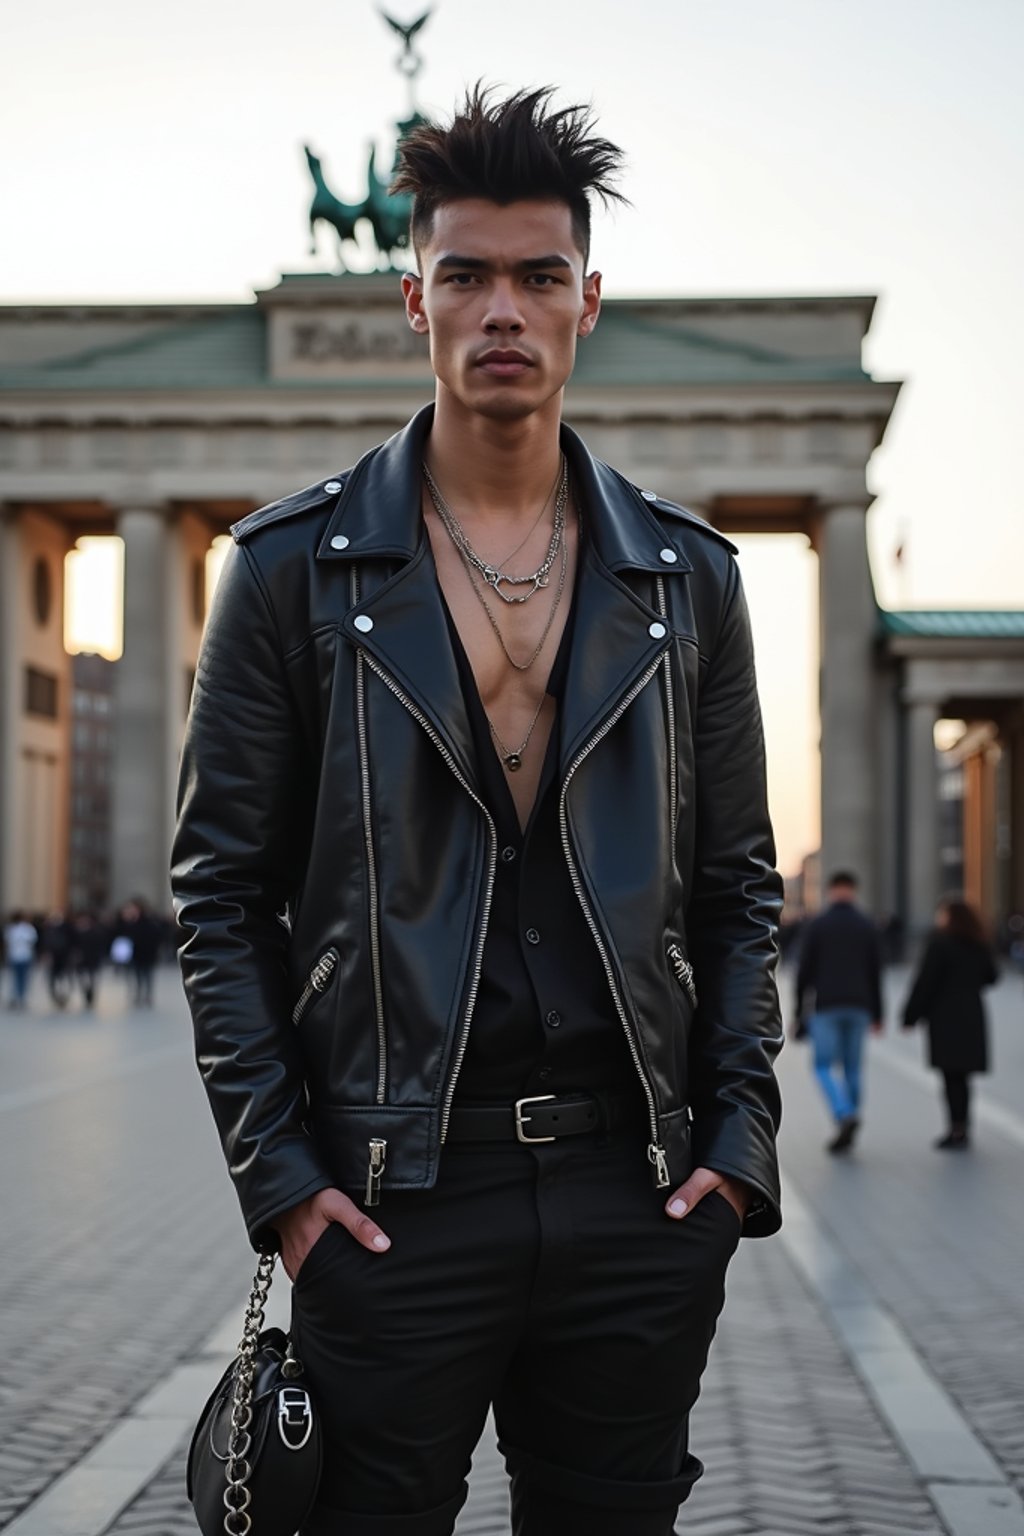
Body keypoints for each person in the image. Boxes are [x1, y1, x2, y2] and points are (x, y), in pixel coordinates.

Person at [172, 87, 784, 1536]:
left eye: (537, 276)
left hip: (632, 1191)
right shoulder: (288, 573)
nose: (501, 308)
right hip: (394, 1196)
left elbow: (738, 885)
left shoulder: (686, 583)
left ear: (589, 303)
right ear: (413, 299)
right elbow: (219, 895)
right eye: (466, 275)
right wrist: (287, 1186)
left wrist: (736, 1152)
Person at [795, 870, 883, 1153]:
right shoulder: (866, 925)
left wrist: (799, 1010)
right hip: (859, 1004)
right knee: (853, 1068)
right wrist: (879, 1012)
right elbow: (875, 972)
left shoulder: (819, 924)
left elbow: (804, 971)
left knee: (822, 1065)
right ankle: (851, 1117)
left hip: (827, 1005)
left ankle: (843, 1113)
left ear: (831, 890)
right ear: (853, 890)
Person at [901, 898, 998, 1149]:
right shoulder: (979, 942)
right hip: (972, 1014)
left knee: (950, 1075)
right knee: (963, 1077)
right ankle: (963, 1127)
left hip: (944, 1016)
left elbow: (925, 982)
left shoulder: (940, 943)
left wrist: (910, 1016)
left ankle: (956, 1129)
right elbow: (992, 976)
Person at [4, 910, 38, 1009]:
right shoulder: (27, 929)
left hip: (18, 956)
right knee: (21, 979)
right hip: (22, 956)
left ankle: (18, 997)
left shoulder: (12, 929)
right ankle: (20, 997)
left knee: (17, 979)